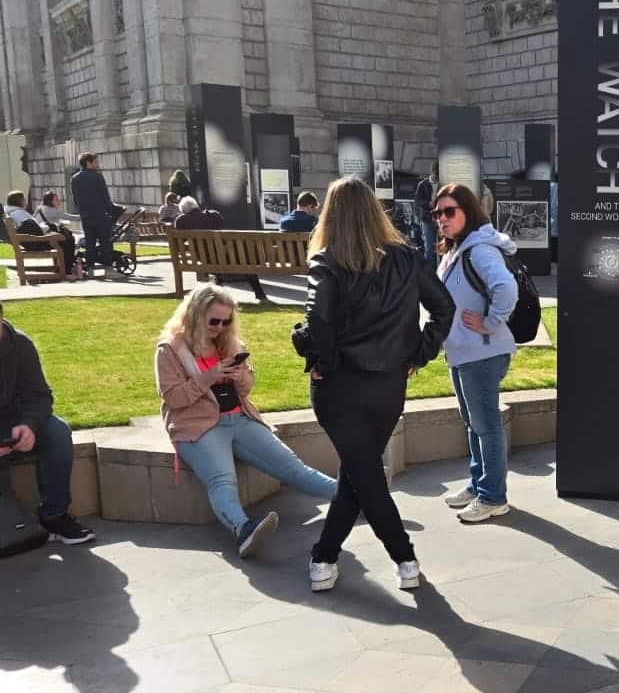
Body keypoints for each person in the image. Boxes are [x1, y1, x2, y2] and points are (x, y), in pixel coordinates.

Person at [296, 175, 454, 594]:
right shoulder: (406, 258)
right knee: (359, 473)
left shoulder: (328, 260)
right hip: (386, 386)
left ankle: (403, 557)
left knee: (363, 476)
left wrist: (323, 362)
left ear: (330, 214)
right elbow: (444, 308)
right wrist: (417, 353)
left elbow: (317, 319)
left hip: (341, 387)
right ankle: (325, 556)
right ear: (372, 210)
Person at [155, 285, 337, 559]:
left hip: (239, 418)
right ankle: (243, 529)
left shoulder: (229, 343)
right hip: (198, 427)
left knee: (293, 468)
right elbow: (174, 398)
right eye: (214, 321)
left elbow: (247, 387)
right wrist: (209, 377)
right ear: (195, 315)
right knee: (222, 480)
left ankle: (354, 494)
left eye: (226, 321)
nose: (220, 327)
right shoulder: (170, 349)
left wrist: (240, 377)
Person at [434, 182, 519, 522]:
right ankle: (479, 484)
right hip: (463, 352)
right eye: (437, 213)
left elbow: (506, 288)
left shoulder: (480, 249)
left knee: (486, 426)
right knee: (474, 424)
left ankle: (493, 497)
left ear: (468, 211)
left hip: (482, 353)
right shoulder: (456, 249)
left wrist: (490, 322)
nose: (441, 218)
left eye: (449, 211)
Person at [0, 300, 94, 544]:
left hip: (14, 421)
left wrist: (29, 425)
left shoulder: (20, 344)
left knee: (57, 431)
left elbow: (39, 396)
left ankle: (54, 515)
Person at [175, 198, 269, 303]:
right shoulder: (214, 216)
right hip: (224, 257)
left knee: (219, 262)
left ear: (184, 211)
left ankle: (219, 293)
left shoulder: (181, 221)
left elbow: (179, 243)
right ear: (196, 206)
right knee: (245, 261)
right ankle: (259, 293)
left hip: (204, 259)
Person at [3, 191, 78, 276]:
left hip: (31, 241)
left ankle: (62, 269)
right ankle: (66, 271)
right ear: (19, 201)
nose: (26, 201)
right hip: (36, 242)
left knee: (65, 235)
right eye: (24, 199)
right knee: (68, 240)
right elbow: (35, 228)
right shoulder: (19, 213)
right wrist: (49, 228)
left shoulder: (13, 213)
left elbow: (33, 227)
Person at [70, 153, 116, 277]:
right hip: (100, 213)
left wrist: (82, 210)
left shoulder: (74, 178)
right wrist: (110, 211)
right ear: (88, 163)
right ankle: (108, 268)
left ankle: (90, 269)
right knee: (105, 242)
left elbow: (75, 199)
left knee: (90, 242)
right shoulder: (97, 177)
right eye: (95, 162)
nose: (97, 164)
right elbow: (105, 196)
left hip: (86, 214)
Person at [414, 164, 437, 265]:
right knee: (429, 247)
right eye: (436, 174)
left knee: (443, 246)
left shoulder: (443, 183)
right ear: (432, 172)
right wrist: (428, 204)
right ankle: (429, 271)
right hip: (427, 219)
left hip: (440, 218)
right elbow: (417, 200)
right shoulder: (423, 184)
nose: (437, 177)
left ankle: (441, 270)